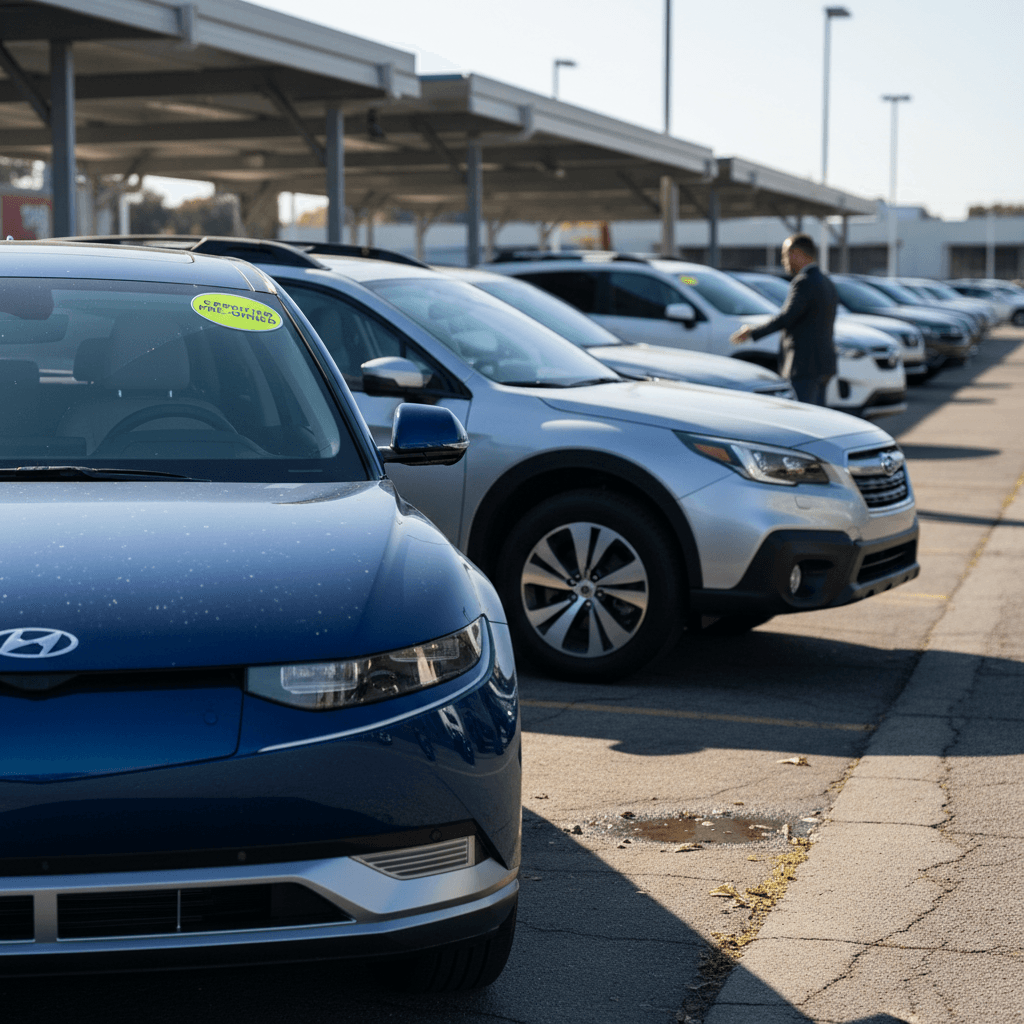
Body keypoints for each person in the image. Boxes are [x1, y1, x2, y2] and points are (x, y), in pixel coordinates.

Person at [730, 233, 838, 406]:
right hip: (824, 364)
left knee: (801, 419)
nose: (783, 260)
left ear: (796, 254)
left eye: (785, 254)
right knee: (816, 420)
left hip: (804, 366)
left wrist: (752, 332)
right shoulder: (826, 281)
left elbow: (787, 317)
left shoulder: (804, 282)